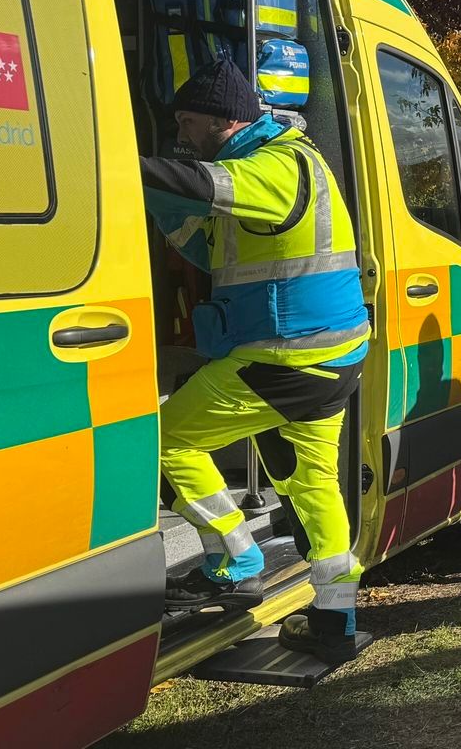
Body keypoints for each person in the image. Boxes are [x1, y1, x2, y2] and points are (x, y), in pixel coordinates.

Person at [141, 60, 370, 664]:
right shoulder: (289, 163)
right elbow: (214, 241)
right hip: (328, 355)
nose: (183, 136)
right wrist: (167, 215)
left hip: (287, 359)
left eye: (189, 123)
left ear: (221, 120)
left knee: (168, 442)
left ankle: (236, 559)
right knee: (312, 484)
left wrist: (112, 162)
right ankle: (335, 619)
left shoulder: (271, 166)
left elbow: (202, 185)